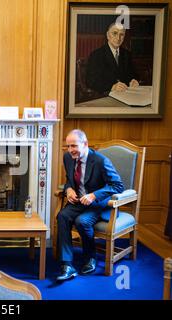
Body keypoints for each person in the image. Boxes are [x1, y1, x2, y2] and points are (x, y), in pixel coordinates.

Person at [56, 129, 124, 281]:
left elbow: (118, 185)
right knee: (62, 216)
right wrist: (68, 189)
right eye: (68, 146)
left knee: (82, 221)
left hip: (99, 204)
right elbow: (69, 179)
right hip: (79, 201)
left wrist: (94, 195)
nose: (70, 150)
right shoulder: (67, 157)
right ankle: (67, 265)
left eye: (74, 146)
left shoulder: (100, 161)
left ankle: (90, 257)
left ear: (85, 144)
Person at [86, 22, 139, 95]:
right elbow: (91, 81)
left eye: (121, 34)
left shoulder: (127, 54)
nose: (118, 38)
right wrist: (112, 87)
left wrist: (133, 80)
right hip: (105, 95)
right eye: (115, 33)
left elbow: (133, 74)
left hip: (126, 94)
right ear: (108, 35)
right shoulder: (96, 55)